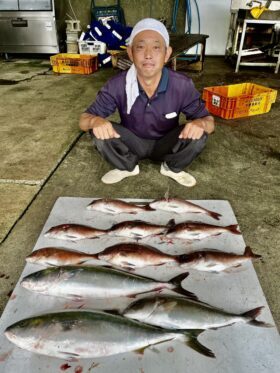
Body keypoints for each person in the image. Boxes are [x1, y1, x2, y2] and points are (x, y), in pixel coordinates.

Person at [79, 18, 214, 187]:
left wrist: (200, 123)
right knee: (97, 130)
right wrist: (95, 121)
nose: (148, 55)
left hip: (167, 143)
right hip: (132, 142)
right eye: (140, 47)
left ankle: (172, 167)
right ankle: (126, 166)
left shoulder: (182, 84)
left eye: (156, 47)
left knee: (199, 133)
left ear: (167, 53)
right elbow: (84, 120)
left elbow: (210, 122)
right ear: (130, 53)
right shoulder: (117, 84)